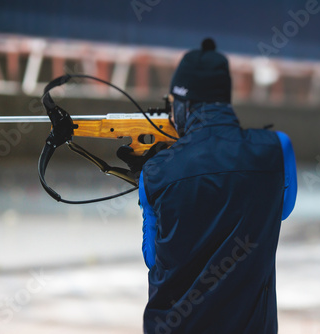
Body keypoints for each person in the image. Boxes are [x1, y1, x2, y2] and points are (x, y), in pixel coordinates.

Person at [118, 38, 297, 334]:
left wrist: (148, 180)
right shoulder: (277, 149)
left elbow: (154, 258)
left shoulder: (157, 172)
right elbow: (281, 210)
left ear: (184, 106)